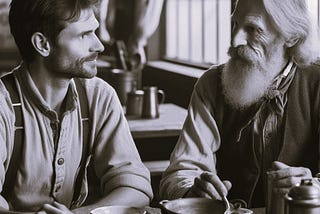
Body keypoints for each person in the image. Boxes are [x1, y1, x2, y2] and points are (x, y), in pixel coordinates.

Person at [160, 0, 320, 208]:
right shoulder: (211, 84)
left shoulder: (316, 83)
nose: (235, 41)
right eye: (235, 25)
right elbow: (181, 170)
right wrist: (191, 191)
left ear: (291, 37)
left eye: (253, 29)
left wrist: (312, 187)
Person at [0, 0, 153, 213]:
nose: (98, 45)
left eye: (95, 31)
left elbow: (136, 188)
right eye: (84, 35)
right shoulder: (3, 104)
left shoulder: (99, 96)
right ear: (43, 44)